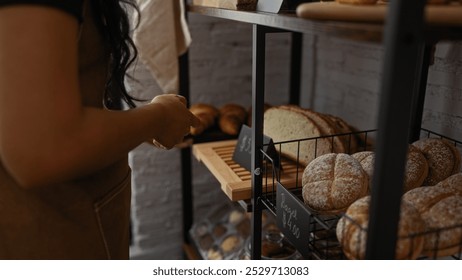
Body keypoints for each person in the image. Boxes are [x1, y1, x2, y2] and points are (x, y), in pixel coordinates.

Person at [0, 0, 200, 259]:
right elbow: (43, 148)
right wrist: (158, 117)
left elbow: (45, 112)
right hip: (52, 230)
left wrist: (133, 128)